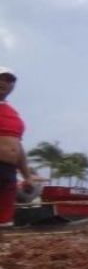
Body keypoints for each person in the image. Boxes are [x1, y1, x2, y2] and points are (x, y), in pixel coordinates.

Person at [0, 66, 44, 227]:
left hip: (8, 172)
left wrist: (27, 176)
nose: (4, 82)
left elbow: (17, 146)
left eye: (9, 79)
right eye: (1, 78)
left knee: (4, 221)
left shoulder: (12, 113)